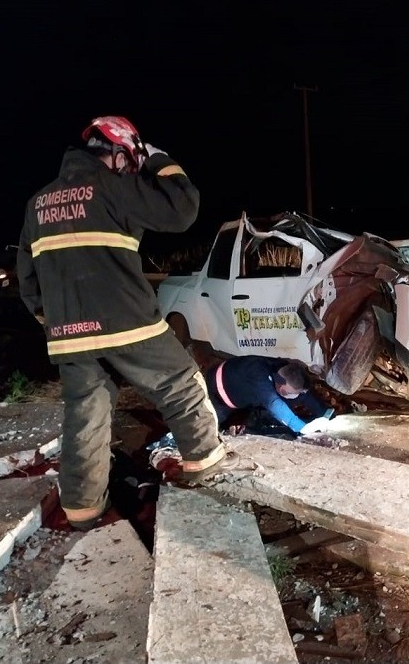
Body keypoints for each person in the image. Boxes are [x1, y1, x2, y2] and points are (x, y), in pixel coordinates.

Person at [17, 115, 244, 531]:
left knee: (86, 413)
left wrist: (56, 324)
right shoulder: (114, 187)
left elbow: (28, 280)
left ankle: (83, 509)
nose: (132, 168)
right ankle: (205, 459)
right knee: (179, 382)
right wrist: (160, 161)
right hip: (127, 322)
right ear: (119, 153)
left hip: (68, 335)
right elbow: (182, 209)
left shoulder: (38, 203)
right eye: (132, 160)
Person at [205, 356, 334, 436]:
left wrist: (324, 412)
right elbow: (273, 403)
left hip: (242, 394)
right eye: (290, 393)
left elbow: (303, 393)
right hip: (215, 396)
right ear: (281, 389)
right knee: (209, 432)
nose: (297, 396)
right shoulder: (260, 378)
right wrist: (301, 427)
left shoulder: (284, 370)